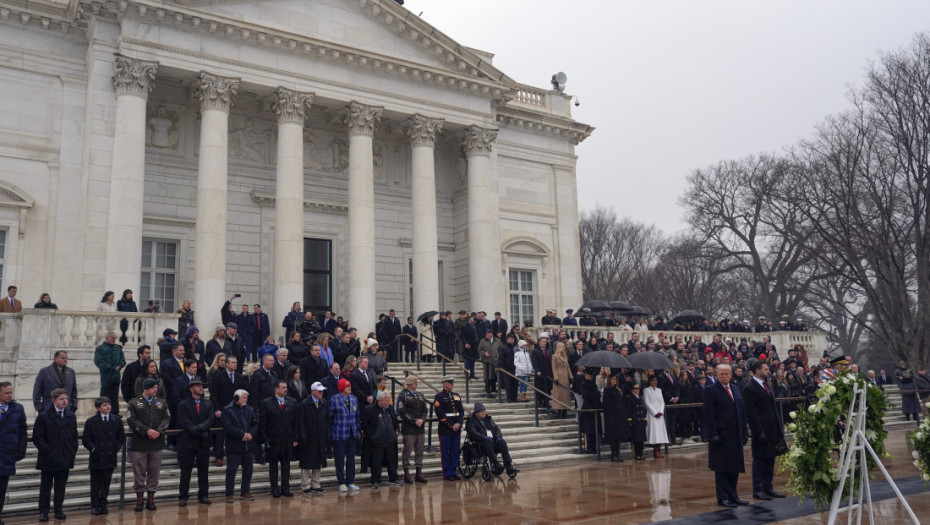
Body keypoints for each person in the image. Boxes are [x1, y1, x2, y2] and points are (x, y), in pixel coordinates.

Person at [704, 363, 749, 508]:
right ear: (717, 375)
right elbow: (709, 415)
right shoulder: (711, 390)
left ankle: (733, 495)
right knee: (722, 468)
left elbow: (741, 412)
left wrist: (744, 431)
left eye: (727, 374)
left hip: (735, 435)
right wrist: (713, 434)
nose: (724, 376)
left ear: (731, 374)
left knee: (734, 467)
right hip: (721, 436)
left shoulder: (735, 389)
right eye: (722, 374)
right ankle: (722, 497)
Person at [742, 360, 787, 501]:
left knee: (770, 460)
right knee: (760, 460)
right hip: (760, 431)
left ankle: (768, 487)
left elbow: (773, 409)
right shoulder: (750, 388)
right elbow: (752, 413)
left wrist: (779, 427)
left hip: (772, 429)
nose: (769, 371)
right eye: (766, 369)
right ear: (757, 370)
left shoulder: (767, 384)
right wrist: (758, 431)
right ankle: (758, 489)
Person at [33, 388, 77, 522]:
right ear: (54, 400)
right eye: (61, 399)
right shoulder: (44, 416)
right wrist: (48, 451)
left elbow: (74, 437)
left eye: (66, 399)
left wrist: (72, 451)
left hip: (65, 457)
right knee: (45, 487)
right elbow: (38, 437)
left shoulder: (70, 416)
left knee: (60, 487)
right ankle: (44, 512)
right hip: (48, 459)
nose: (65, 401)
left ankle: (58, 509)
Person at [127, 377, 170, 512]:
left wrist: (159, 431)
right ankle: (139, 500)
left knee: (154, 472)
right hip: (140, 443)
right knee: (139, 472)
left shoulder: (161, 402)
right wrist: (146, 431)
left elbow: (167, 418)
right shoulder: (134, 403)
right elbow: (131, 420)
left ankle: (151, 499)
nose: (156, 390)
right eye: (153, 388)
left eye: (156, 387)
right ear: (146, 389)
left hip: (156, 443)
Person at [82, 396, 125, 515]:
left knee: (106, 482)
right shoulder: (91, 421)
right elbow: (86, 439)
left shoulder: (116, 420)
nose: (108, 407)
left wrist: (115, 448)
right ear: (98, 408)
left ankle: (103, 503)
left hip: (110, 456)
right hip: (97, 457)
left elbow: (121, 437)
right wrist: (94, 448)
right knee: (95, 483)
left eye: (109, 404)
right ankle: (95, 505)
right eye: (105, 405)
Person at [177, 378, 215, 506]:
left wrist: (198, 429)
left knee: (203, 471)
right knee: (186, 471)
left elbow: (210, 420)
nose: (201, 388)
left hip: (203, 441)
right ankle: (183, 496)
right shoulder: (184, 404)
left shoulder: (208, 403)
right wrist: (198, 430)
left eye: (201, 386)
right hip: (188, 441)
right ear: (191, 388)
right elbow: (184, 421)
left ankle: (203, 495)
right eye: (198, 386)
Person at [261, 380, 298, 498]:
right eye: (282, 387)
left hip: (287, 438)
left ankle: (285, 488)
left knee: (286, 466)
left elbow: (296, 422)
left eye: (286, 387)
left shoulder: (292, 402)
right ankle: (274, 489)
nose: (285, 389)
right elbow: (263, 423)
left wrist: (295, 437)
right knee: (273, 467)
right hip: (273, 439)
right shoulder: (267, 403)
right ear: (276, 389)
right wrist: (265, 439)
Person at [220, 389, 257, 502]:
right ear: (236, 398)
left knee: (248, 469)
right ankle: (229, 493)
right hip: (234, 446)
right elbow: (227, 426)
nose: (246, 400)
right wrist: (241, 434)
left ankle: (245, 491)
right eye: (244, 398)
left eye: (246, 398)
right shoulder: (228, 410)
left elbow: (256, 423)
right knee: (232, 470)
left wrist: (251, 434)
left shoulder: (250, 409)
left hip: (248, 446)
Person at [465, 402, 519, 476]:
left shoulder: (488, 419)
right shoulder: (471, 421)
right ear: (476, 413)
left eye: (484, 410)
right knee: (488, 440)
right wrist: (483, 437)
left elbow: (496, 429)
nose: (484, 412)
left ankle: (508, 465)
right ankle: (495, 463)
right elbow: (473, 433)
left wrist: (498, 437)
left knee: (502, 442)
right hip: (480, 443)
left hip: (492, 441)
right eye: (482, 411)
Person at [362, 390, 402, 489]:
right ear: (380, 400)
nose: (388, 402)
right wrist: (372, 435)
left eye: (389, 400)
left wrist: (397, 430)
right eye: (386, 400)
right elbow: (364, 424)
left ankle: (394, 478)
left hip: (390, 439)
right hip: (377, 441)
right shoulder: (370, 409)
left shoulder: (390, 409)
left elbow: (395, 421)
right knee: (376, 462)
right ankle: (375, 480)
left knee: (391, 461)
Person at [0, 381, 27, 523]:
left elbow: (23, 432)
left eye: (11, 392)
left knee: (1, 490)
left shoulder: (17, 408)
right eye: (6, 393)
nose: (10, 395)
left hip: (7, 456)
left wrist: (20, 451)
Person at [329, 378, 361, 492]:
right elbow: (330, 417)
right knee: (340, 459)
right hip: (339, 434)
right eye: (347, 386)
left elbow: (357, 415)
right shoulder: (334, 400)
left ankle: (350, 481)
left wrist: (357, 429)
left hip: (352, 434)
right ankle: (341, 481)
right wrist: (333, 431)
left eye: (350, 386)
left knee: (351, 459)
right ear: (342, 388)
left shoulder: (354, 399)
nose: (350, 388)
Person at [297, 382, 329, 494]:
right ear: (313, 391)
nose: (321, 393)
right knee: (306, 462)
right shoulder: (304, 404)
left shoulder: (324, 403)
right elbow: (300, 422)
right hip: (308, 437)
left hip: (320, 437)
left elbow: (327, 420)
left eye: (322, 391)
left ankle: (316, 484)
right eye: (319, 391)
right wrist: (302, 436)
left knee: (318, 461)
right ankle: (305, 485)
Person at [396, 375, 428, 484]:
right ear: (410, 384)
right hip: (409, 427)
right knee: (407, 451)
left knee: (419, 451)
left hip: (420, 428)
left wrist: (422, 419)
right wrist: (414, 421)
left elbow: (425, 410)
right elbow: (402, 411)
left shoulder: (420, 395)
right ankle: (406, 473)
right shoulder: (403, 395)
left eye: (416, 382)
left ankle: (419, 472)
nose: (416, 384)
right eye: (414, 382)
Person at [435, 375, 464, 480]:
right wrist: (451, 425)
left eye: (452, 382)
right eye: (450, 382)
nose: (452, 384)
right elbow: (440, 414)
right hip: (445, 429)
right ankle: (447, 473)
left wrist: (459, 423)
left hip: (456, 429)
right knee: (445, 452)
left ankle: (453, 471)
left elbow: (461, 411)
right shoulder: (439, 397)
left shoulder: (456, 395)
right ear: (444, 383)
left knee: (455, 452)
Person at [94, 332, 125, 415]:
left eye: (115, 338)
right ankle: (102, 412)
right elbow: (99, 362)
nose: (113, 339)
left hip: (116, 377)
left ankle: (115, 413)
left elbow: (123, 360)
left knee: (115, 397)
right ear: (106, 338)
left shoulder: (118, 348)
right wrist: (111, 367)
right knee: (104, 396)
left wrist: (119, 366)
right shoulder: (100, 349)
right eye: (112, 337)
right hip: (106, 378)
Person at [602, 374, 629, 462]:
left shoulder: (618, 390)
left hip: (619, 416)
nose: (615, 381)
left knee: (619, 436)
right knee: (613, 437)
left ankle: (618, 453)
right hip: (611, 417)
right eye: (613, 379)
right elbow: (606, 405)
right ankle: (613, 454)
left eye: (616, 379)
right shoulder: (607, 391)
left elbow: (622, 404)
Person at [644, 374, 669, 458]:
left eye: (656, 380)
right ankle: (655, 450)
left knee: (660, 432)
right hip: (652, 414)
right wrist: (655, 413)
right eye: (653, 380)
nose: (655, 382)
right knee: (654, 432)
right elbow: (647, 403)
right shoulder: (646, 390)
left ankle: (659, 449)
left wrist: (660, 411)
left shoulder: (659, 390)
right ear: (650, 381)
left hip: (659, 413)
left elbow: (662, 402)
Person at [625, 382, 648, 460]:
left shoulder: (640, 397)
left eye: (638, 389)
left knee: (641, 439)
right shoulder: (630, 398)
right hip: (635, 420)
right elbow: (628, 410)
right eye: (636, 389)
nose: (637, 390)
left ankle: (641, 454)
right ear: (632, 390)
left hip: (641, 420)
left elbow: (644, 409)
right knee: (636, 439)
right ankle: (637, 454)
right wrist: (630, 421)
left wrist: (645, 419)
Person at [531, 335, 554, 412]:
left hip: (548, 373)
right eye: (543, 342)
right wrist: (537, 370)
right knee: (540, 388)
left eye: (545, 342)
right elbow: (535, 361)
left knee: (547, 388)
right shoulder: (535, 351)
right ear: (539, 342)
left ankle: (546, 401)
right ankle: (540, 401)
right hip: (540, 373)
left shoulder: (549, 351)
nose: (544, 343)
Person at [551, 342, 572, 418]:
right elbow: (554, 368)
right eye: (562, 347)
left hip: (565, 376)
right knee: (559, 394)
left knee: (566, 394)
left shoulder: (565, 356)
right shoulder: (554, 356)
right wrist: (555, 377)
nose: (564, 348)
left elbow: (568, 367)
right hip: (559, 377)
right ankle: (559, 410)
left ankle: (565, 410)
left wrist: (571, 377)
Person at [478, 329, 501, 397]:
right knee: (487, 375)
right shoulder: (482, 341)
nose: (488, 334)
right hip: (487, 361)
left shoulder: (498, 341)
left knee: (495, 375)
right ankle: (487, 388)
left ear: (492, 334)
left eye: (490, 333)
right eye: (487, 333)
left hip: (495, 360)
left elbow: (500, 349)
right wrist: (484, 353)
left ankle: (494, 388)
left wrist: (498, 356)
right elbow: (479, 350)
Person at [498, 333, 518, 403]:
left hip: (515, 369)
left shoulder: (516, 347)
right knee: (508, 385)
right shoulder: (503, 348)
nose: (512, 340)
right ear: (507, 340)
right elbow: (501, 359)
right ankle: (509, 398)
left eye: (513, 339)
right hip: (507, 369)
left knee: (515, 385)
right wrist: (503, 368)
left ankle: (514, 397)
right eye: (510, 339)